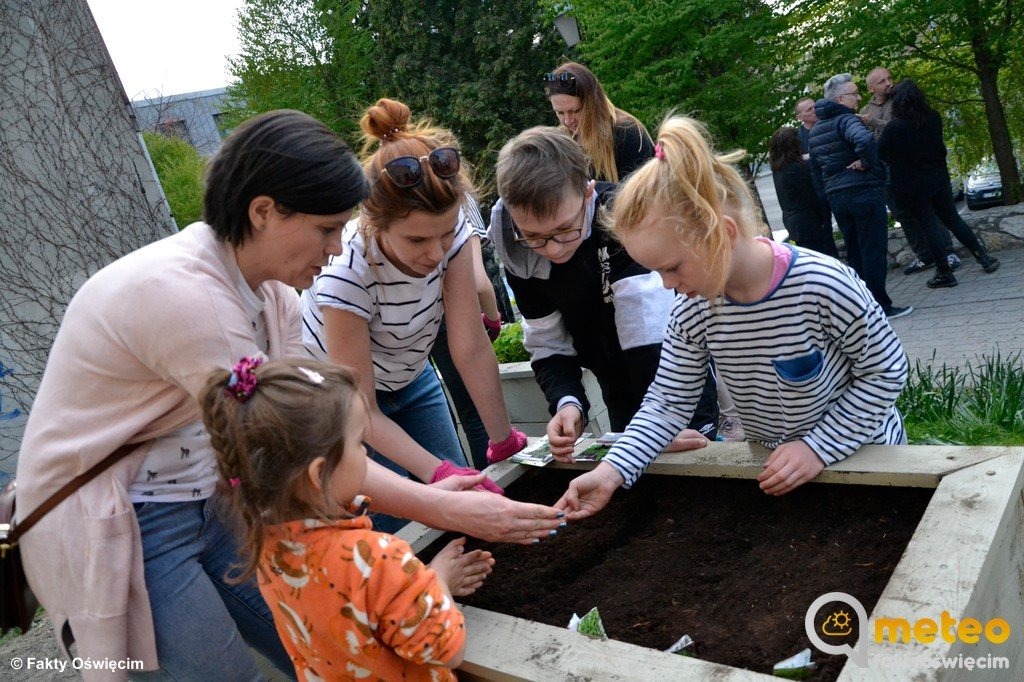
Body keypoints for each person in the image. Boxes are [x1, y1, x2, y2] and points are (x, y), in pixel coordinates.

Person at [16, 109, 563, 680]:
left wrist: (437, 484)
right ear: (263, 212)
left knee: (317, 645)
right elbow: (296, 453)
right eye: (327, 229)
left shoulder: (274, 296)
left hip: (214, 497)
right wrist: (442, 502)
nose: (337, 246)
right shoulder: (187, 296)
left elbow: (320, 430)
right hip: (130, 515)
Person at [555, 115, 909, 520]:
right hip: (784, 472)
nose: (667, 285)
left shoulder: (823, 284)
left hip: (870, 463)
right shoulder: (693, 309)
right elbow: (668, 402)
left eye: (672, 267)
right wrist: (610, 471)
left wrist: (818, 447)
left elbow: (886, 372)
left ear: (722, 234)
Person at [300, 99, 527, 528]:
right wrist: (434, 475)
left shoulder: (450, 232)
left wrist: (503, 439)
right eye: (417, 240)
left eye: (444, 235)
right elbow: (362, 409)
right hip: (342, 404)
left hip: (411, 377)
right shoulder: (346, 273)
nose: (436, 253)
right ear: (375, 223)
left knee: (460, 501)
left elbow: (469, 345)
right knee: (400, 525)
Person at [198, 356, 494, 681]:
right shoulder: (377, 558)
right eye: (356, 443)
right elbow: (447, 649)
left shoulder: (267, 549)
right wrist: (438, 581)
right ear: (319, 474)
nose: (366, 453)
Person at [490, 126, 719, 460]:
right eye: (534, 236)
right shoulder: (518, 250)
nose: (552, 249)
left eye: (564, 229)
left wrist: (660, 423)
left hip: (676, 380)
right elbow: (546, 341)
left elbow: (650, 336)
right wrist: (567, 402)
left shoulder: (624, 218)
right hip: (613, 377)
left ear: (587, 193)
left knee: (698, 462)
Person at [808, 73, 913, 319]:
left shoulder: (815, 130)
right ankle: (881, 306)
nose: (858, 98)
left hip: (837, 196)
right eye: (854, 94)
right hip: (862, 191)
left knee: (854, 251)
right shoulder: (846, 119)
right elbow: (865, 139)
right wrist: (868, 164)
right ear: (840, 99)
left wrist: (827, 193)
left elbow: (815, 170)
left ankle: (861, 305)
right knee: (873, 249)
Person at [878, 79, 1000, 288]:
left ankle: (944, 272)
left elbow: (881, 153)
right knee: (953, 219)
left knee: (928, 226)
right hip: (938, 178)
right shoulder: (933, 117)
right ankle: (983, 257)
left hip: (912, 185)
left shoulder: (894, 128)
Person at [859, 66, 957, 275]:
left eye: (889, 78)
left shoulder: (901, 101)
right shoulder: (866, 109)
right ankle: (924, 255)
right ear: (870, 88)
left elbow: (905, 128)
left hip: (908, 165)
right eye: (881, 81)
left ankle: (948, 253)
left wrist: (874, 123)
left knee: (931, 210)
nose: (888, 83)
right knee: (902, 214)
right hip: (884, 168)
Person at [543, 61, 654, 183]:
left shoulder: (627, 133)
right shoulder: (561, 142)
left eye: (575, 111)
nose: (568, 121)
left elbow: (644, 191)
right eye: (560, 113)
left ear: (593, 104)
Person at [769, 125, 839, 257]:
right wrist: (823, 217)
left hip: (794, 222)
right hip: (809, 221)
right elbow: (812, 196)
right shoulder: (796, 168)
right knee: (826, 256)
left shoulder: (778, 169)